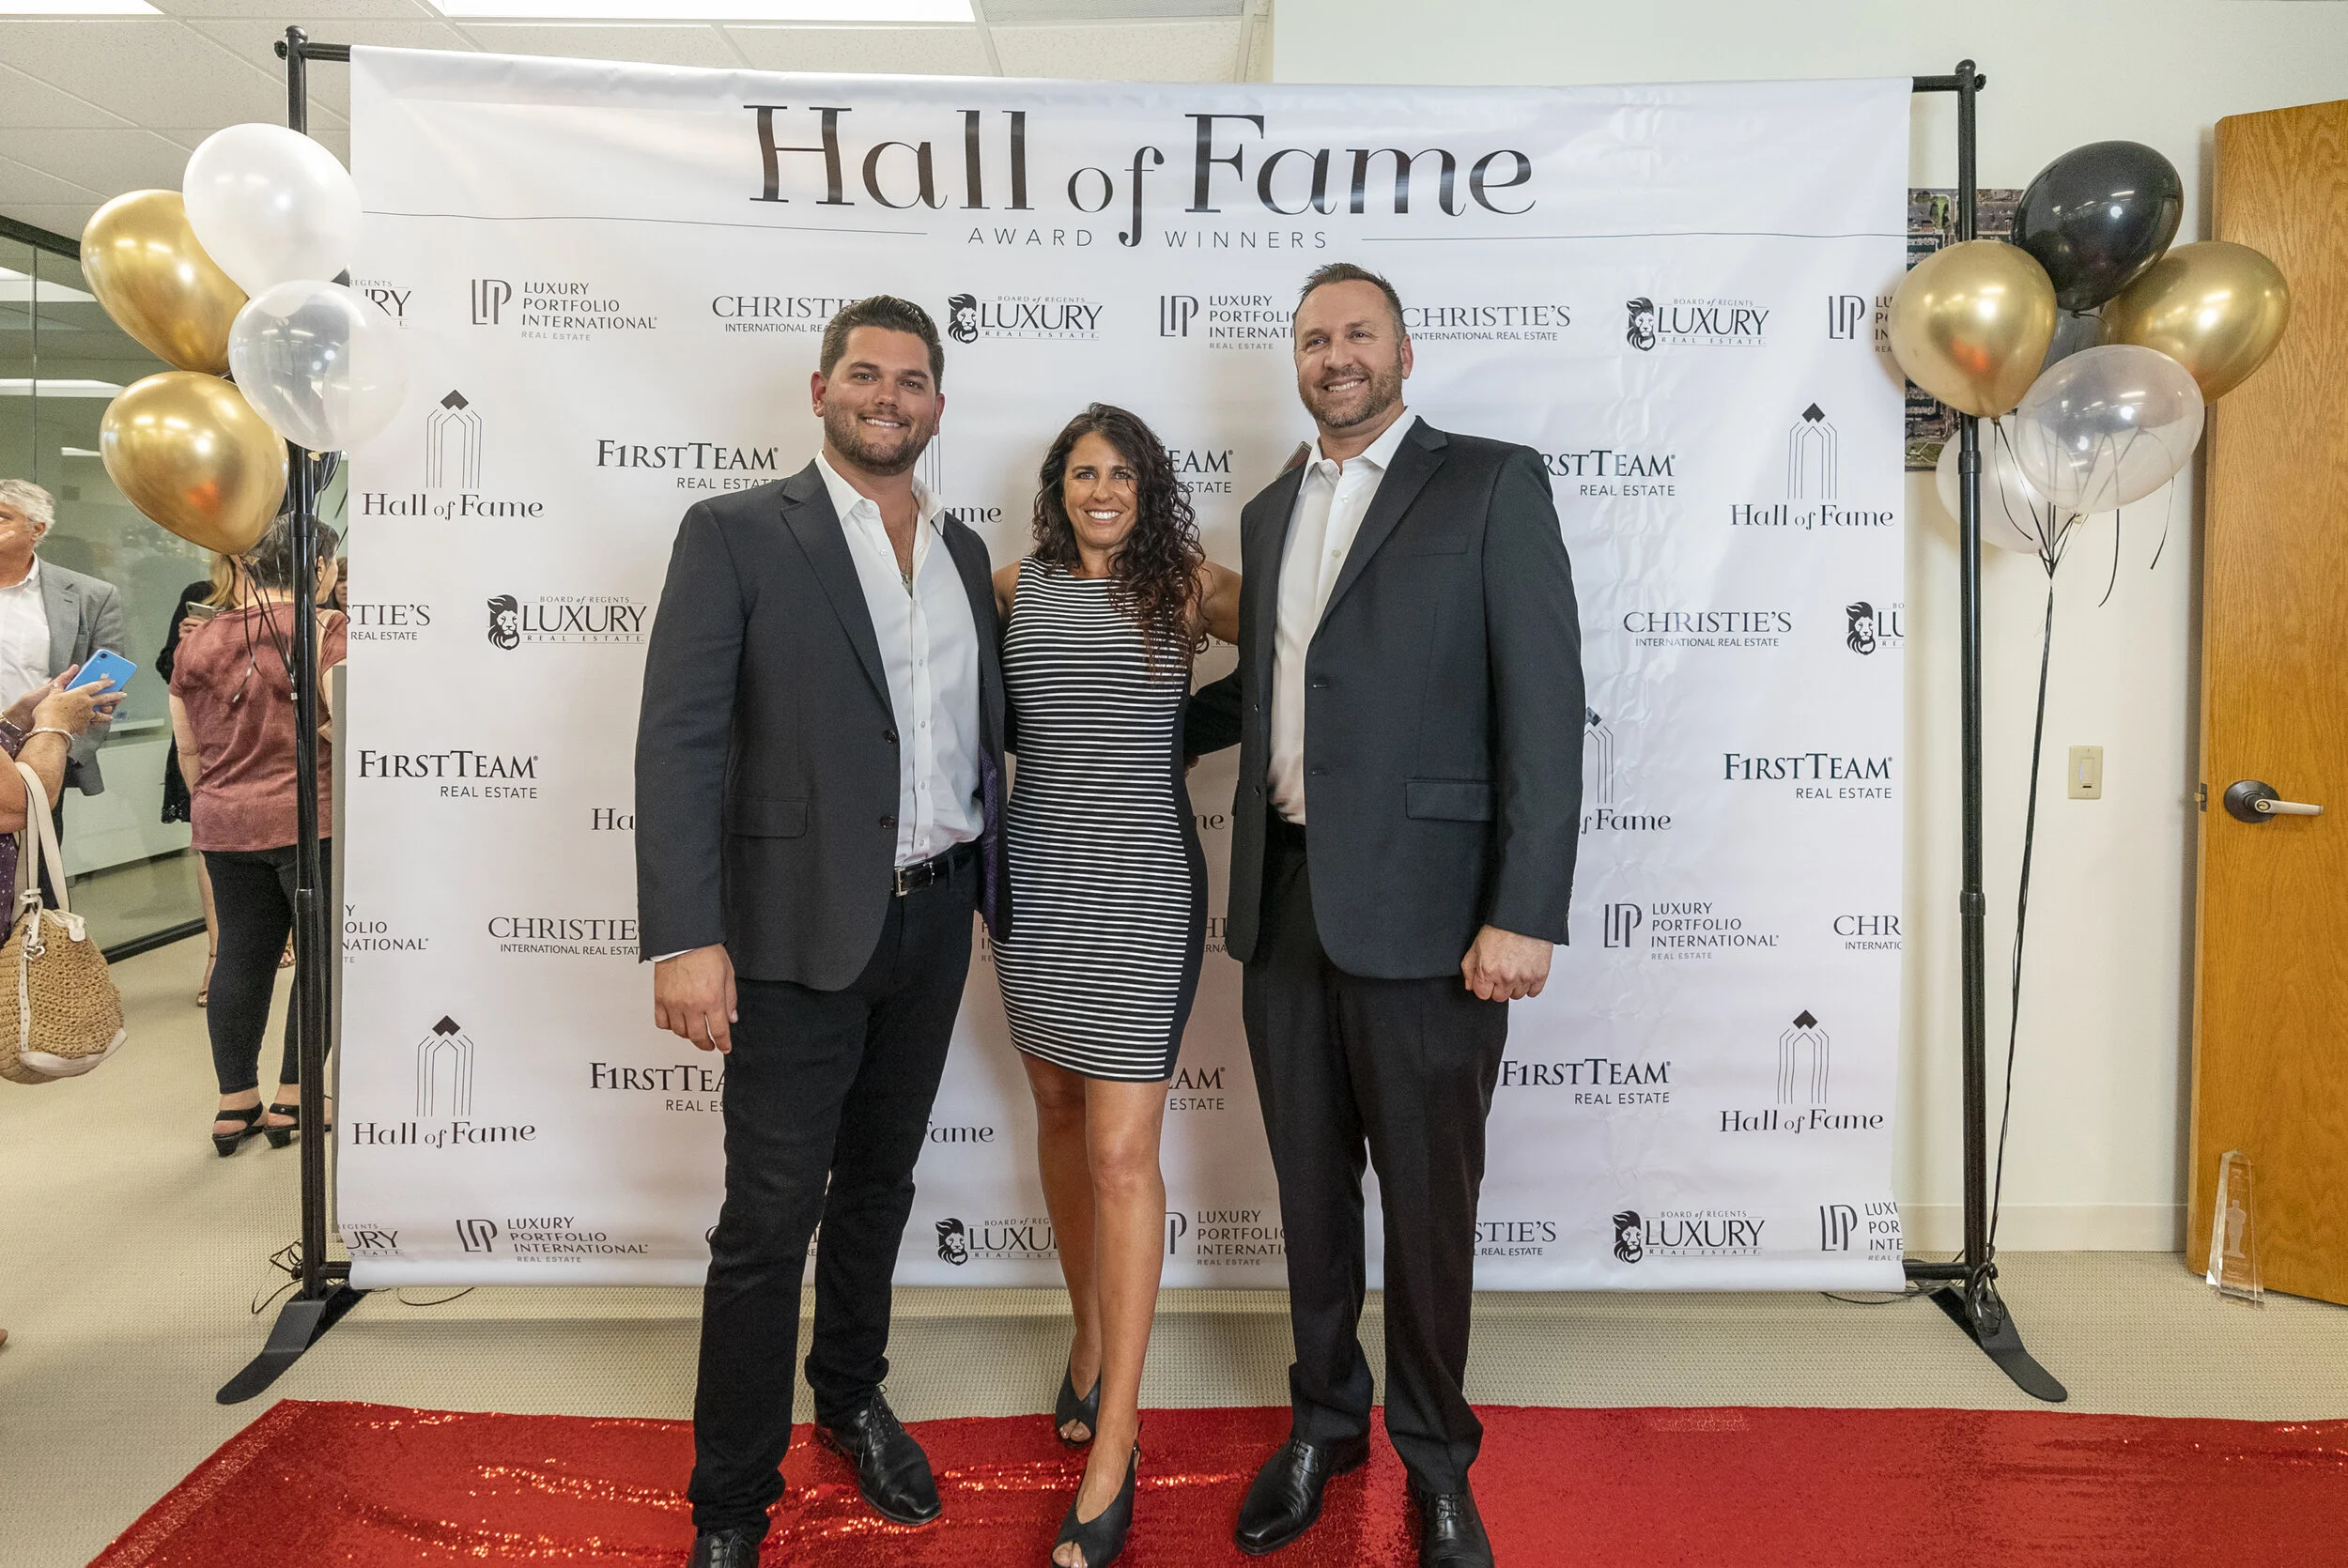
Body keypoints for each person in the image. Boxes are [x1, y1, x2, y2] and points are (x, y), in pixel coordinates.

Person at [1186, 263, 1584, 1568]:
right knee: (1308, 1193)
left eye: (1359, 333)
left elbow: (1541, 709)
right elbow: (1270, 695)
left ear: (1405, 352)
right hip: (1286, 902)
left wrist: (1523, 907)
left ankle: (1434, 1454)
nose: (1336, 354)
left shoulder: (1489, 482)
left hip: (1435, 918)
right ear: (1294, 363)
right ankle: (1325, 1422)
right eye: (1315, 338)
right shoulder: (1265, 509)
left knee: (1426, 1202)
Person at [636, 296, 1011, 1568]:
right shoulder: (737, 533)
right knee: (767, 1220)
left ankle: (849, 1395)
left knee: (882, 1190)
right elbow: (679, 743)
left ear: (937, 407)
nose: (887, 396)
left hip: (935, 919)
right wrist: (685, 935)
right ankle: (730, 1501)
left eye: (911, 380)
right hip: (792, 935)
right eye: (865, 374)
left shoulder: (964, 558)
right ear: (819, 389)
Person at [989, 405, 1241, 1568]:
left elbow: (1311, 638)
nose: (1102, 489)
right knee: (1052, 1110)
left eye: (1122, 472)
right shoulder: (1009, 589)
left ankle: (1117, 1436)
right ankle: (1088, 1340)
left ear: (1149, 487)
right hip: (1036, 882)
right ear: (1058, 486)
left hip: (1141, 888)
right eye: (1083, 471)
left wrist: (1187, 729)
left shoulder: (1185, 586)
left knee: (1121, 1154)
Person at [167, 516, 345, 1157]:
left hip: (222, 820)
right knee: (320, 957)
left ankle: (233, 1102)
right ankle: (296, 1095)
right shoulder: (326, 630)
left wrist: (216, 801)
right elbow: (347, 722)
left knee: (241, 955)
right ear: (319, 566)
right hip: (310, 818)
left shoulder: (195, 641)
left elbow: (188, 750)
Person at [0, 478, 129, 886]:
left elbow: (103, 687)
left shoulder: (90, 594)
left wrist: (63, 750)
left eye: (2, 517)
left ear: (37, 529)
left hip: (43, 753)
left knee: (36, 888)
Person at [159, 553, 240, 1007]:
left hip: (270, 737)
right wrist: (186, 644)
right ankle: (217, 952)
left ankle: (276, 932)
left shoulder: (299, 596)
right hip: (203, 733)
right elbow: (168, 668)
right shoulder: (198, 595)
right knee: (208, 843)